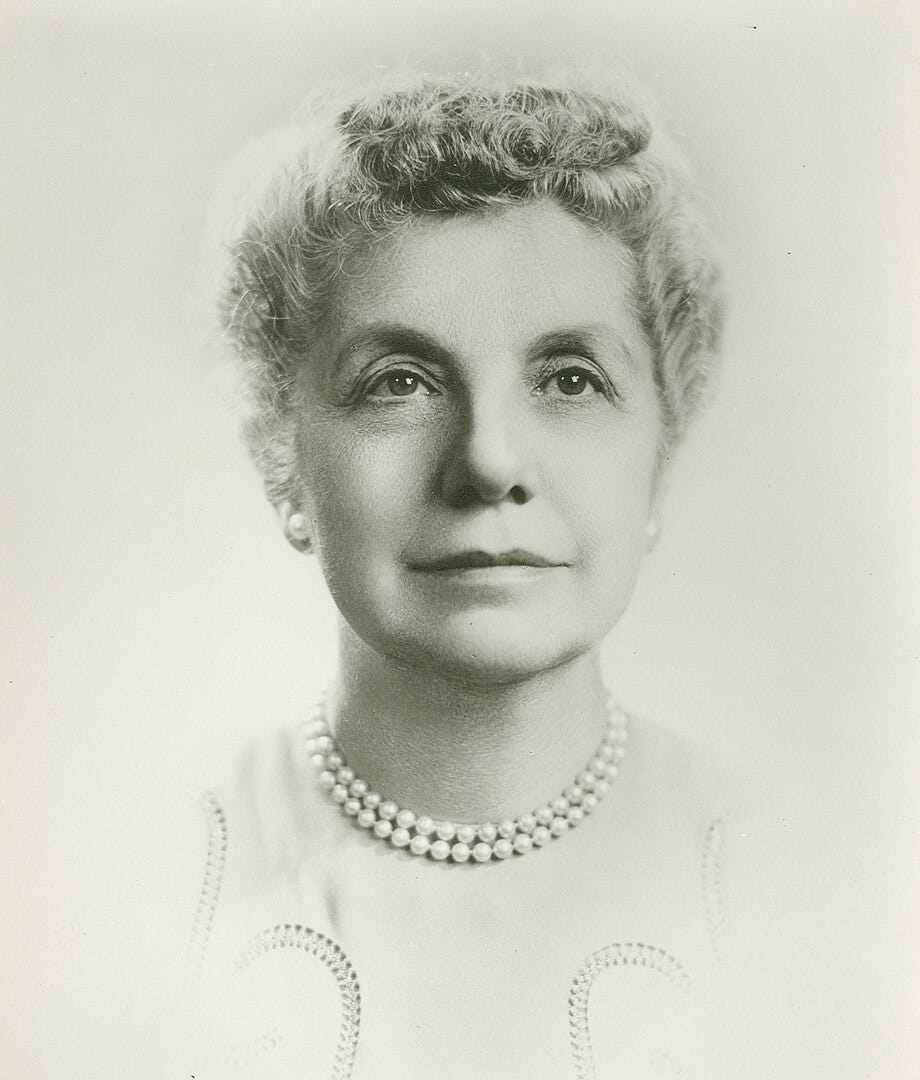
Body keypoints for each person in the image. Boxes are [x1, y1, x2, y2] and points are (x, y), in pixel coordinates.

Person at [177, 66, 787, 1079]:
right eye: (399, 382)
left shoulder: (804, 878)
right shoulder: (150, 878)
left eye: (568, 378)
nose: (491, 461)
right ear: (282, 456)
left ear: (657, 458)